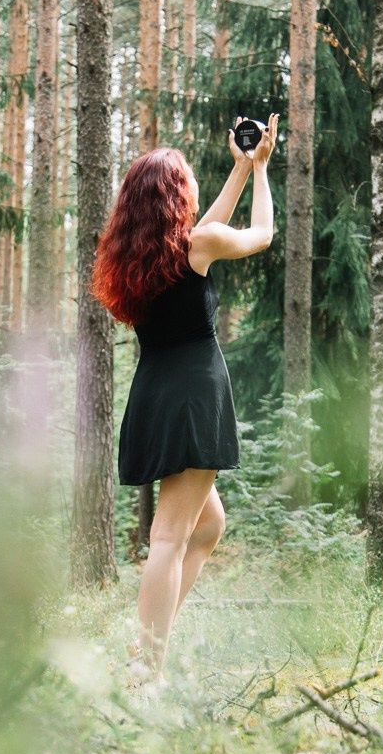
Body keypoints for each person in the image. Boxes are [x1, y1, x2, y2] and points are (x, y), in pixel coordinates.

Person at [91, 118, 277, 681]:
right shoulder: (198, 246)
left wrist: (241, 167)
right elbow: (261, 235)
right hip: (195, 396)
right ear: (176, 196)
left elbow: (207, 227)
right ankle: (148, 666)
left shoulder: (141, 260)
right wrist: (264, 170)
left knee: (206, 526)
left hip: (154, 392)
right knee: (168, 537)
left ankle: (150, 638)